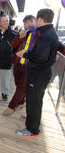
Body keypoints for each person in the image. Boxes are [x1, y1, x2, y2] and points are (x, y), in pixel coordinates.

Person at [16, 9, 59, 137]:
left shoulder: (46, 35)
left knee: (34, 100)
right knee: (34, 99)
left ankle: (32, 129)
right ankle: (31, 118)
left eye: (36, 19)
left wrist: (25, 54)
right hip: (40, 73)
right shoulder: (49, 32)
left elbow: (41, 57)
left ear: (40, 19)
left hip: (38, 73)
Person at [3, 15, 37, 116]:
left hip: (29, 66)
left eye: (29, 23)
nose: (27, 25)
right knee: (19, 85)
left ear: (33, 22)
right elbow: (13, 45)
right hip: (18, 64)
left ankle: (11, 106)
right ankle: (21, 102)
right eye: (25, 23)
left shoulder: (39, 34)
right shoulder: (24, 34)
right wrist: (19, 37)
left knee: (21, 87)